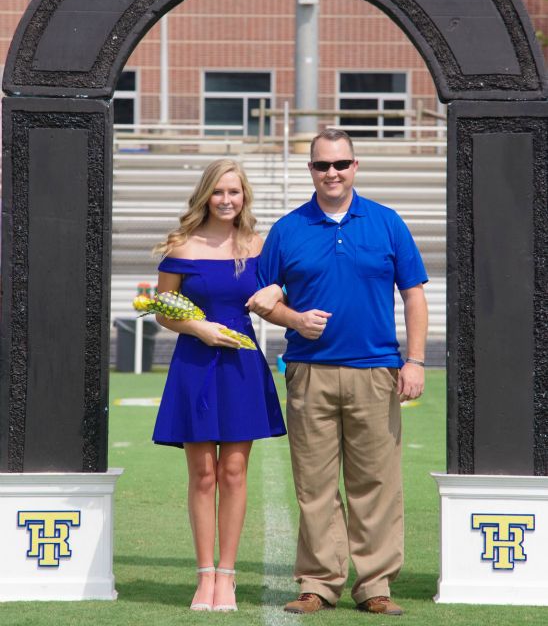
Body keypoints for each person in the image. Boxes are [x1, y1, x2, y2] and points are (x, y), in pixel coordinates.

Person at [248, 129, 428, 616]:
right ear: (310, 169)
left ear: (355, 166)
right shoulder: (288, 229)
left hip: (376, 371)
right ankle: (319, 583)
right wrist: (294, 319)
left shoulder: (387, 223)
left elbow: (413, 294)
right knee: (315, 484)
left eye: (341, 164)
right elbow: (264, 300)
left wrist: (415, 361)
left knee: (377, 483)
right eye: (322, 165)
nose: (332, 173)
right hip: (309, 372)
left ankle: (375, 586)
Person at [152, 158, 286, 612]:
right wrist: (198, 328)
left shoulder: (260, 246)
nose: (227, 200)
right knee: (203, 474)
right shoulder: (182, 245)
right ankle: (204, 575)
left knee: (233, 471)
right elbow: (163, 309)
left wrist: (279, 292)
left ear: (244, 196)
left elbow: (280, 293)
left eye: (234, 191)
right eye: (219, 191)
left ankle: (227, 576)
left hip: (241, 365)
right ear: (205, 195)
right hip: (194, 364)